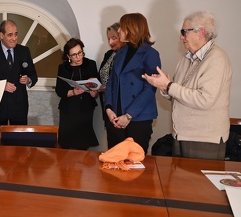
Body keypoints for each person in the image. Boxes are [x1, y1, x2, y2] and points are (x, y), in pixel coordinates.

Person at [142, 11, 232, 160]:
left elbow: (204, 100)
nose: (181, 37)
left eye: (184, 32)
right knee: (180, 183)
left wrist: (169, 85)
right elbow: (179, 93)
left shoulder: (217, 58)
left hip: (204, 139)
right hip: (182, 135)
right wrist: (163, 86)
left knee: (199, 184)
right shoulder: (186, 58)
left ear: (201, 32)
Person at [104, 13, 161, 153]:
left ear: (132, 29)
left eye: (122, 27)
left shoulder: (151, 54)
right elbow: (111, 82)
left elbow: (149, 89)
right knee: (114, 163)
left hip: (138, 119)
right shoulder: (120, 52)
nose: (118, 31)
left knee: (135, 164)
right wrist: (109, 108)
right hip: (115, 118)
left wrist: (129, 115)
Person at [0, 20, 38, 145]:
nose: (14, 38)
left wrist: (28, 79)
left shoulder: (24, 51)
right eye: (10, 35)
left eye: (16, 34)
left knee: (20, 145)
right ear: (1, 35)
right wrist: (1, 85)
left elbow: (33, 74)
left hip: (19, 106)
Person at [55, 38, 99, 150]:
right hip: (68, 109)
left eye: (80, 53)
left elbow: (97, 87)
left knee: (83, 143)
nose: (78, 57)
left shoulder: (91, 64)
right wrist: (73, 92)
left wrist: (95, 93)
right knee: (66, 143)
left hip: (85, 109)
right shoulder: (63, 67)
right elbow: (59, 90)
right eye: (74, 55)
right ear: (68, 56)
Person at [98, 22, 125, 144]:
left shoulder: (127, 55)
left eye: (114, 38)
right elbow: (103, 75)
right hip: (107, 104)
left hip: (121, 108)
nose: (110, 42)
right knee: (112, 146)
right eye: (108, 38)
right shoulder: (109, 54)